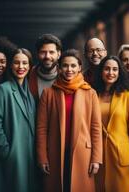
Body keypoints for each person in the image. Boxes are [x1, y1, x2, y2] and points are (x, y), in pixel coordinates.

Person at [36, 49, 102, 192]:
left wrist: (96, 158)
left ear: (79, 68)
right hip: (55, 152)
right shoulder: (48, 93)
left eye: (73, 66)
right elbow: (41, 128)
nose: (69, 69)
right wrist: (42, 157)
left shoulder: (90, 93)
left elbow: (96, 128)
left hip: (82, 153)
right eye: (65, 65)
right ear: (59, 68)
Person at [0, 48, 37, 192]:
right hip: (12, 154)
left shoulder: (30, 93)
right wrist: (5, 150)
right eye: (16, 63)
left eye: (24, 63)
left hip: (28, 155)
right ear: (10, 65)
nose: (21, 67)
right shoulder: (3, 90)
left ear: (30, 66)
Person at [93, 56, 129, 192]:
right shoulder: (92, 94)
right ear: (101, 71)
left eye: (115, 69)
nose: (111, 73)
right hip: (98, 158)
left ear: (120, 73)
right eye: (107, 69)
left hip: (122, 157)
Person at [28, 33, 62, 101]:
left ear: (58, 54)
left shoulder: (66, 76)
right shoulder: (28, 76)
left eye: (51, 52)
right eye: (43, 52)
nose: (47, 56)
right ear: (37, 54)